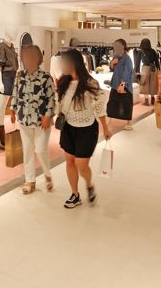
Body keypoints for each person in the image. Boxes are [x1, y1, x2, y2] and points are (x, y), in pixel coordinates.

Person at [56, 49, 111, 209]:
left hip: (87, 129)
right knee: (70, 161)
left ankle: (89, 184)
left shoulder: (90, 83)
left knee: (82, 165)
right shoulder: (63, 82)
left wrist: (105, 127)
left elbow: (99, 106)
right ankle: (75, 194)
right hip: (68, 128)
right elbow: (59, 103)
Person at [10, 45, 55, 195]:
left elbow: (51, 98)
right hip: (24, 118)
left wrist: (48, 115)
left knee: (41, 149)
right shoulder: (19, 75)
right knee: (27, 150)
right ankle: (30, 181)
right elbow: (15, 93)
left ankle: (47, 174)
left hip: (42, 119)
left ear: (38, 59)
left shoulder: (45, 77)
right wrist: (12, 109)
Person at [108, 38, 134, 130]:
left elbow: (127, 72)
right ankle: (110, 119)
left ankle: (129, 122)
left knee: (126, 103)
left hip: (125, 85)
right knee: (112, 102)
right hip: (115, 83)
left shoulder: (127, 59)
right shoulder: (116, 56)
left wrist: (122, 84)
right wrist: (112, 63)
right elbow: (111, 69)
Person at [138, 38, 160, 106]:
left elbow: (137, 62)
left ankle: (146, 101)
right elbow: (156, 60)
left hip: (145, 68)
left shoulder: (140, 51)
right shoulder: (153, 51)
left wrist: (137, 71)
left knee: (145, 84)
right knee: (153, 83)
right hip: (153, 68)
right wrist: (158, 68)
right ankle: (153, 99)